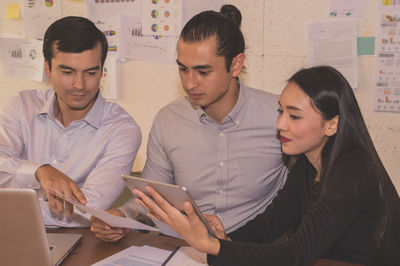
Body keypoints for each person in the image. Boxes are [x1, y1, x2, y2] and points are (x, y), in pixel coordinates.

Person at [134, 66, 400, 265]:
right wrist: (224, 238)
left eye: (294, 116)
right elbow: (268, 225)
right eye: (280, 111)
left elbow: (296, 253)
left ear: (332, 124)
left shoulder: (352, 174)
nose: (280, 124)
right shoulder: (309, 163)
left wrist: (214, 247)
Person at [90, 5, 287, 241]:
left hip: (256, 249)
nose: (190, 82)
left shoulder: (280, 116)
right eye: (183, 69)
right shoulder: (168, 120)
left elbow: (307, 193)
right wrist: (121, 216)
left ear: (235, 65)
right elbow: (151, 196)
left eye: (203, 71)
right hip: (185, 249)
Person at [0, 16, 141, 227]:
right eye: (67, 72)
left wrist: (12, 206)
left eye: (91, 72)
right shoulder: (21, 105)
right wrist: (39, 171)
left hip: (79, 246)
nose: (79, 85)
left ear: (102, 71)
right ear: (47, 68)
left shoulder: (122, 130)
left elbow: (87, 210)